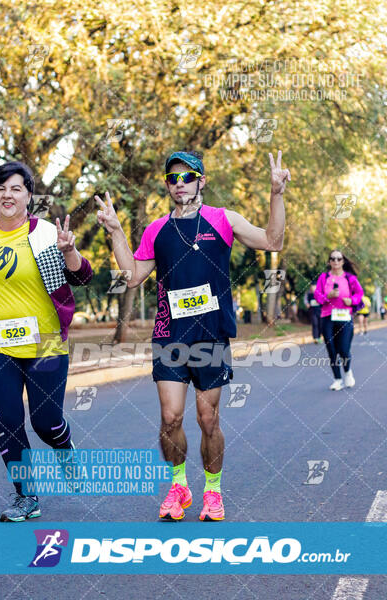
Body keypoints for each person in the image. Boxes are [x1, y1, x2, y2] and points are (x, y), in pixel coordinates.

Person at [96, 149, 290, 521]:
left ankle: (213, 491)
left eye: (187, 176)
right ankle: (178, 485)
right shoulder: (157, 229)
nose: (179, 184)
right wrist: (116, 231)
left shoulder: (222, 219)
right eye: (173, 178)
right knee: (170, 418)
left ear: (202, 180)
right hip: (170, 336)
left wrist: (276, 193)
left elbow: (273, 241)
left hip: (210, 337)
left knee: (207, 419)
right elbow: (134, 275)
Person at [0, 161, 93, 522]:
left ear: (29, 196)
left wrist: (68, 252)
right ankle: (26, 496)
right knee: (9, 422)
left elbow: (83, 276)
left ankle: (65, 449)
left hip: (46, 343)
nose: (7, 194)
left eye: (16, 188)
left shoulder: (45, 233)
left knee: (45, 422)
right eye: (1, 188)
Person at [314, 250, 364, 391]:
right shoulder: (324, 278)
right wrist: (327, 295)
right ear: (329, 262)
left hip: (344, 316)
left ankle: (347, 372)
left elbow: (359, 293)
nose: (336, 261)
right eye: (333, 259)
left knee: (343, 349)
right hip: (327, 316)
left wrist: (352, 300)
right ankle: (337, 379)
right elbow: (317, 296)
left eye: (338, 259)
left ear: (343, 261)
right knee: (331, 349)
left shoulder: (350, 278)